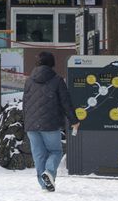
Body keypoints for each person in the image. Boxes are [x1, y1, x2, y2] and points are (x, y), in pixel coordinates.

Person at [23, 51, 80, 192]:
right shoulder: (57, 80)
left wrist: (27, 122)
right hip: (50, 124)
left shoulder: (29, 81)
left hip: (31, 125)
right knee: (55, 151)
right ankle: (48, 172)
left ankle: (45, 185)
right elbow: (65, 102)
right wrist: (74, 120)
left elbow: (25, 103)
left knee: (38, 155)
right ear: (52, 64)